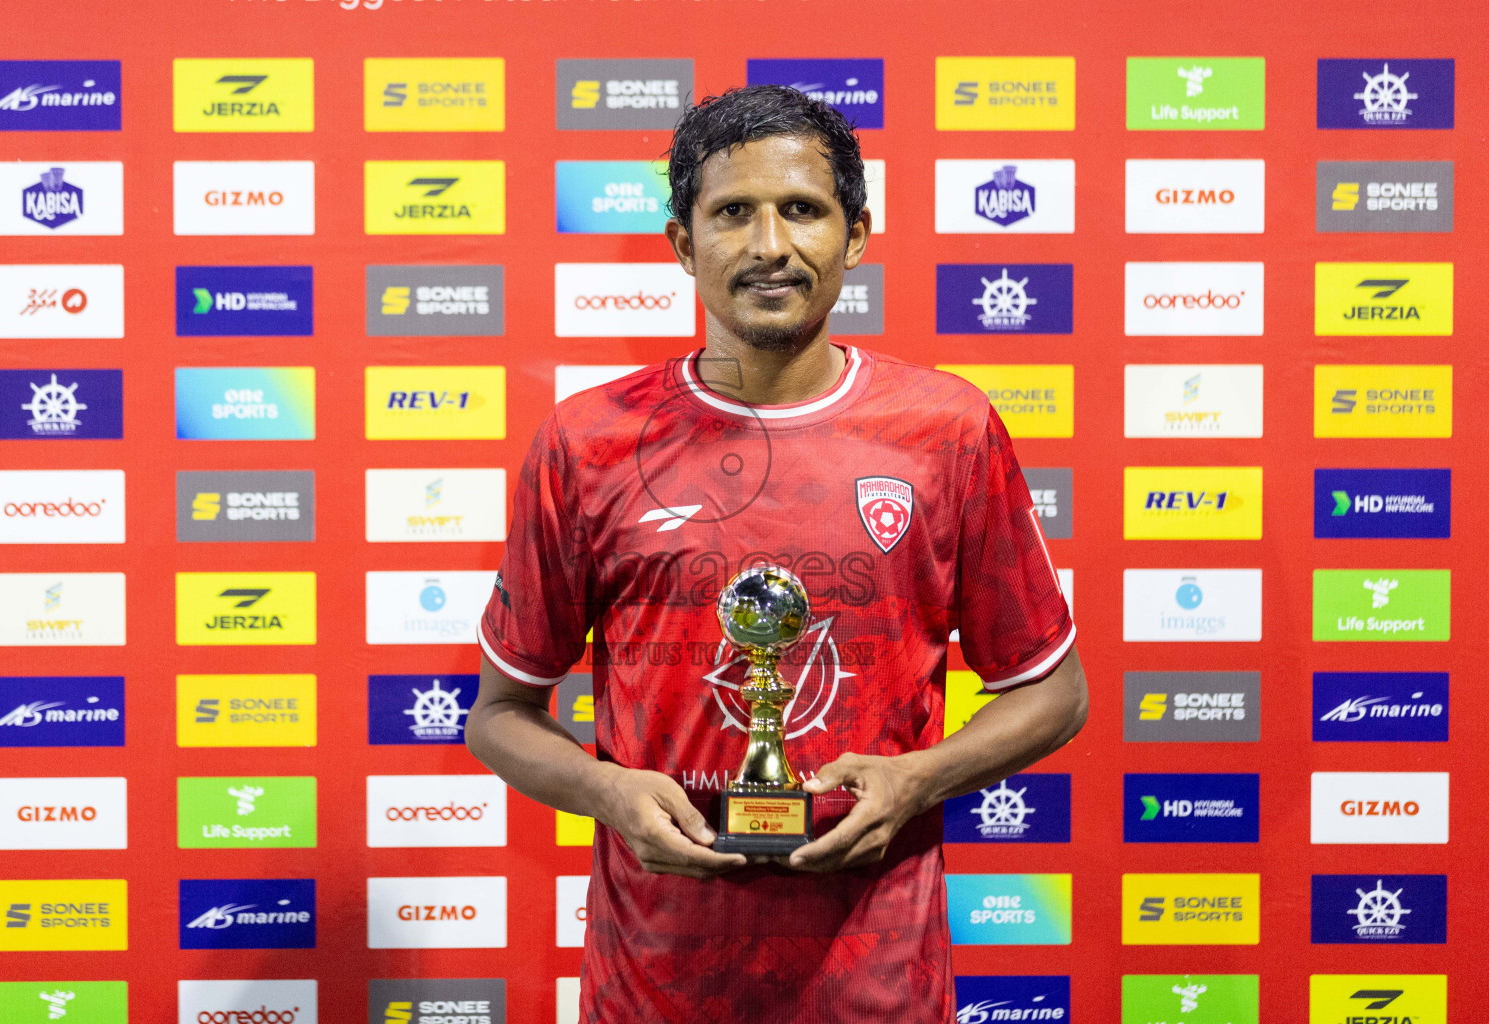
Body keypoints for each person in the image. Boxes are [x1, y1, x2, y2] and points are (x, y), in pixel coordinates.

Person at [466, 84, 1088, 1023]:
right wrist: (608, 791)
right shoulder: (588, 444)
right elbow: (499, 714)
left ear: (857, 234)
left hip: (878, 987)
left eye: (802, 209)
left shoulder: (945, 431)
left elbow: (1056, 689)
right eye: (731, 214)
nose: (768, 246)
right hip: (656, 986)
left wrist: (917, 780)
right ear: (683, 243)